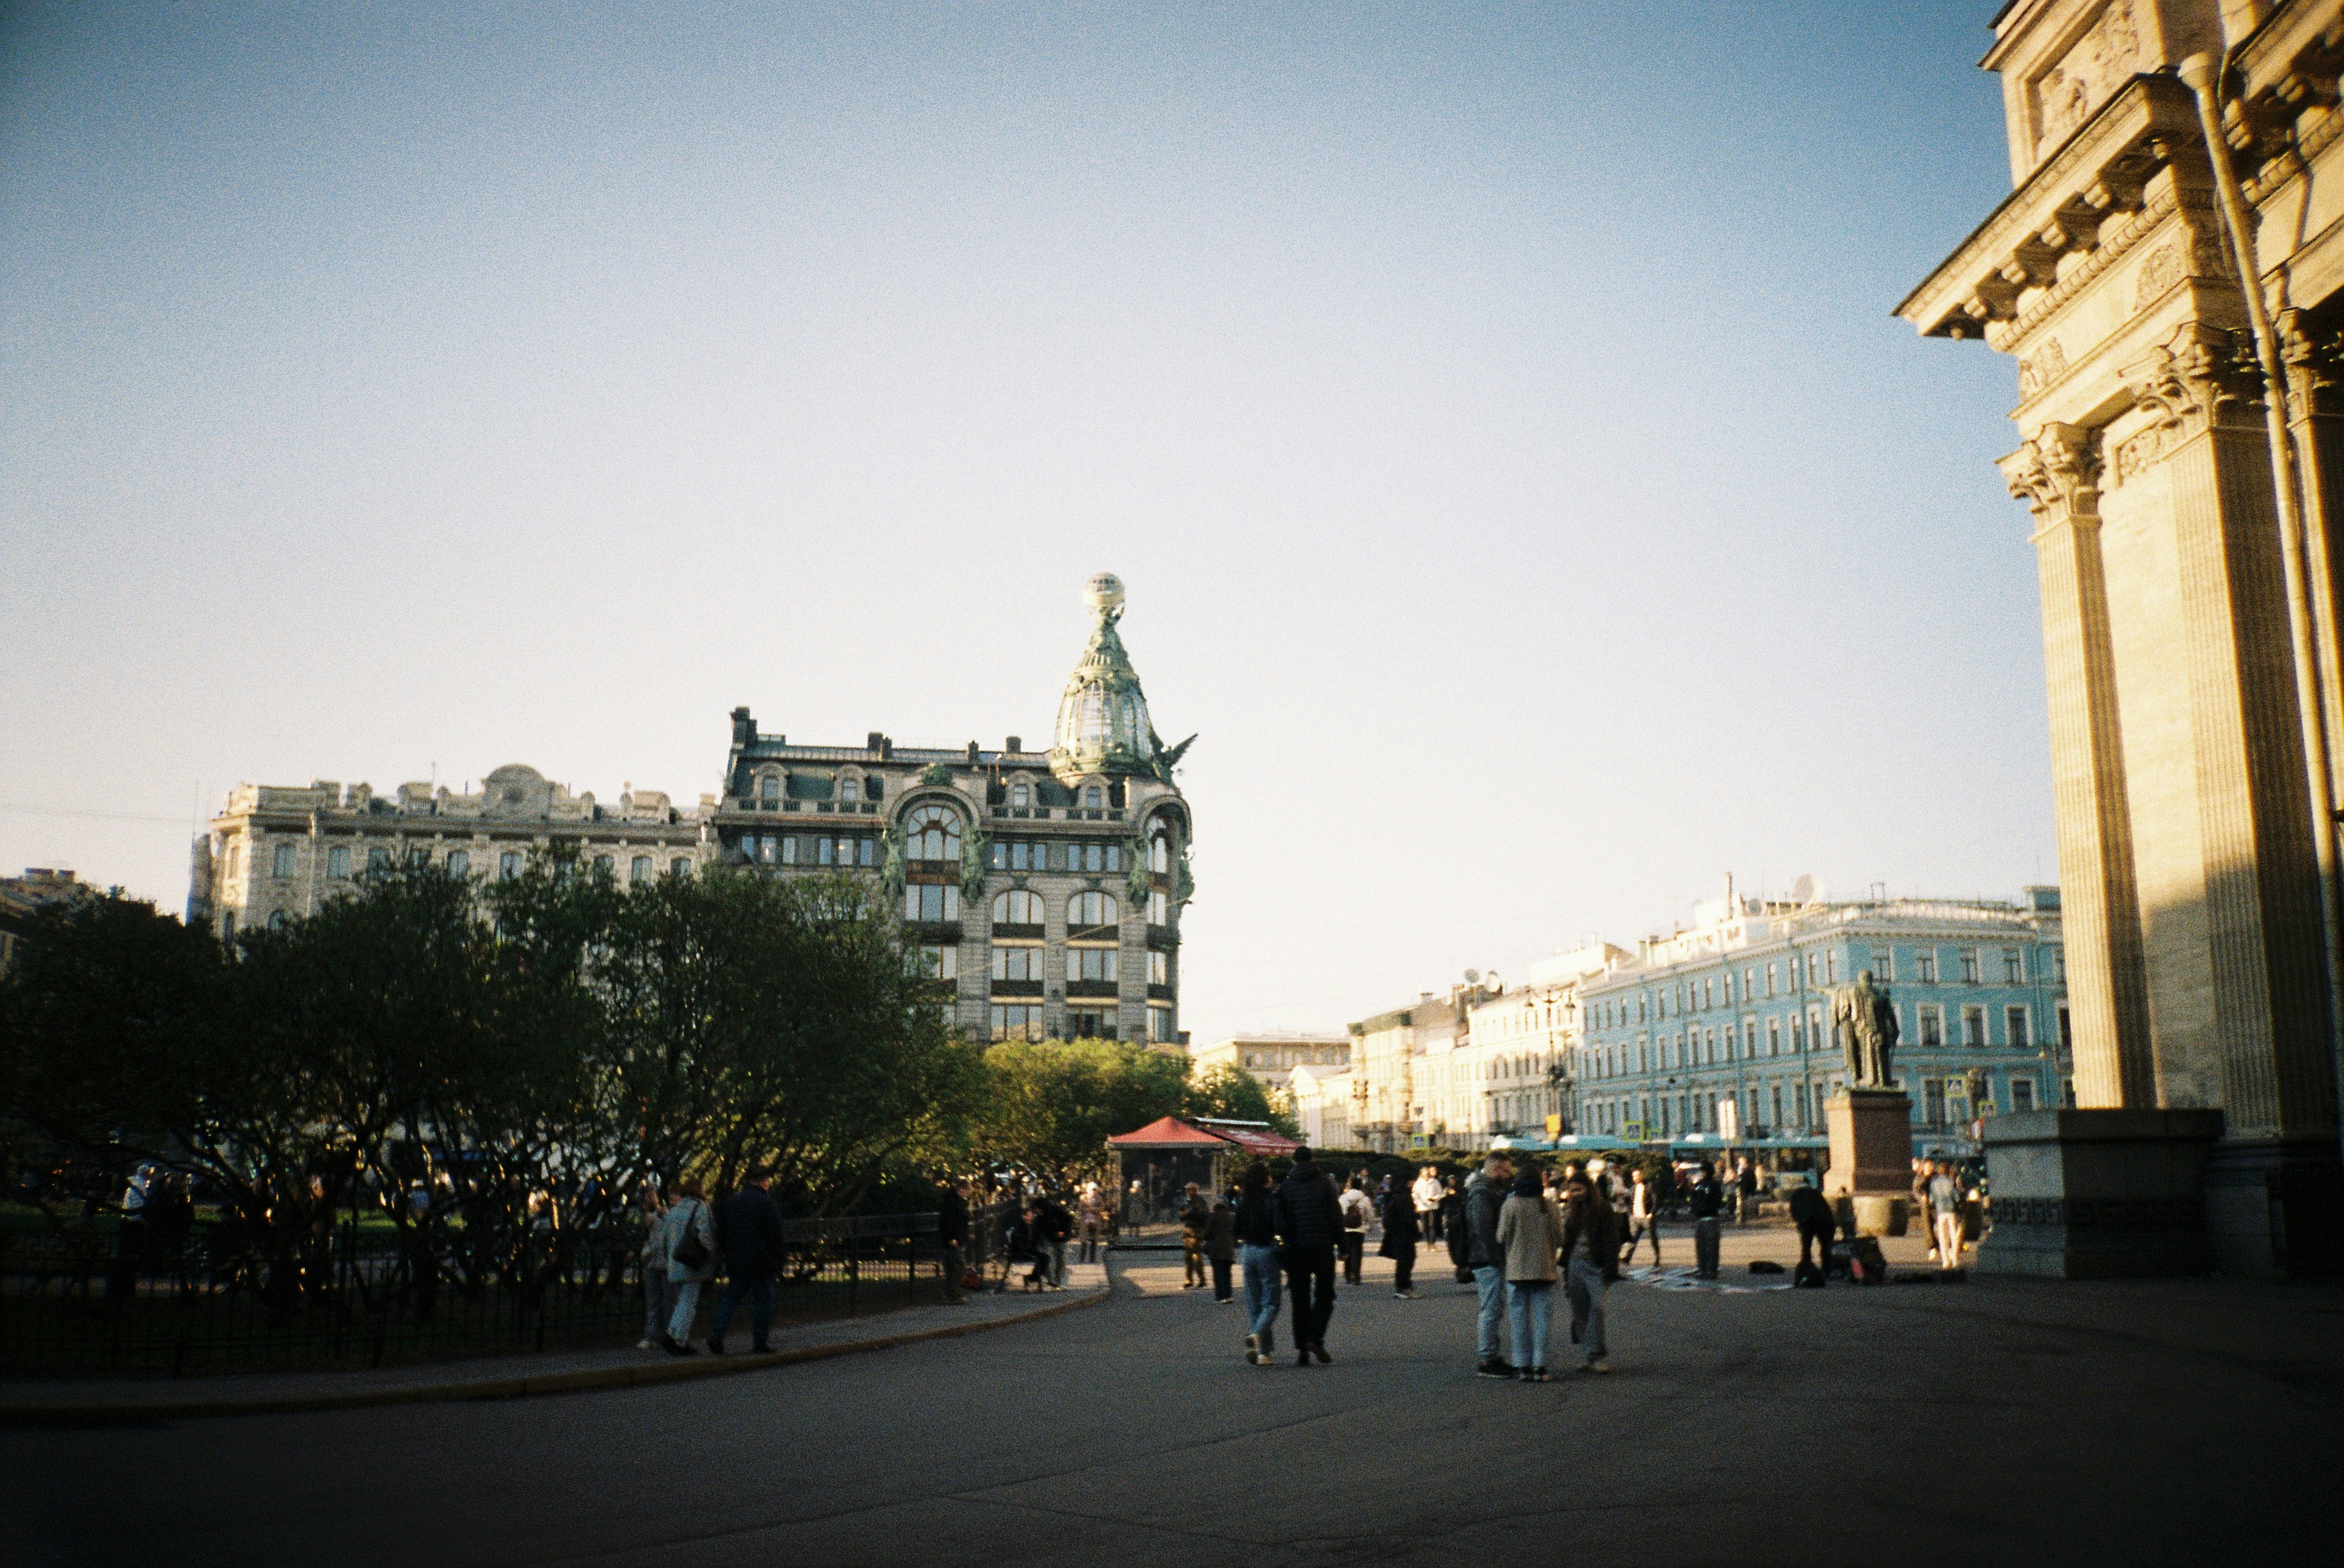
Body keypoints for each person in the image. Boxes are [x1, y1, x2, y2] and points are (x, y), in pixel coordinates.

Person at [1275, 1147, 1342, 1365]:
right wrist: (1344, 1246)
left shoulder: (1285, 1186)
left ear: (1294, 1162)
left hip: (1296, 1251)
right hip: (1322, 1247)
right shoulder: (1326, 1184)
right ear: (1313, 1159)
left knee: (1299, 1299)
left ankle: (1303, 1350)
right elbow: (1335, 1216)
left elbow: (1281, 1221)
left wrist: (1289, 1241)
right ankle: (1316, 1337)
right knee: (1325, 1295)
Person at [709, 1166, 786, 1354]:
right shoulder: (767, 1204)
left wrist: (728, 1253)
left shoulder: (732, 1203)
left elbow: (722, 1233)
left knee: (731, 1298)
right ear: (764, 1182)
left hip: (738, 1260)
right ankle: (760, 1342)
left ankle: (717, 1335)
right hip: (763, 1262)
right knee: (763, 1301)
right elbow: (776, 1235)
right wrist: (780, 1258)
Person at [1496, 1165, 1562, 1381]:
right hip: (1545, 1270)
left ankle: (1522, 1365)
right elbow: (1560, 1238)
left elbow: (1501, 1237)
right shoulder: (1549, 1206)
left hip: (1516, 1271)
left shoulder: (1511, 1204)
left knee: (1519, 1320)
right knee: (1542, 1320)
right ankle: (1540, 1367)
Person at [1560, 1172, 1618, 1373]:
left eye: (1580, 1189)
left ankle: (1598, 1355)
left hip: (1597, 1265)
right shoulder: (1572, 1211)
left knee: (1597, 1308)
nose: (1576, 1193)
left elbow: (1612, 1240)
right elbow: (1567, 1241)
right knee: (1580, 1311)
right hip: (1575, 1264)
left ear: (1589, 1188)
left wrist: (1611, 1268)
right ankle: (1590, 1356)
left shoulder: (1603, 1208)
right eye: (1573, 1190)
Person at [1464, 1152, 1514, 1379]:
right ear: (1493, 1168)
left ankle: (1491, 1355)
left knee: (1493, 1307)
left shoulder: (1488, 1191)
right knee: (1491, 1309)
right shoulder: (1482, 1193)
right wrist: (1494, 1256)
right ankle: (1487, 1359)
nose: (1507, 1175)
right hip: (1486, 1258)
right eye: (1504, 1170)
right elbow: (1482, 1228)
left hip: (1487, 1257)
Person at [659, 1175, 715, 1355]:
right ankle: (676, 1338)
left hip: (675, 1262)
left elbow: (664, 1239)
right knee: (689, 1303)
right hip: (693, 1263)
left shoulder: (673, 1212)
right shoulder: (701, 1208)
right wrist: (710, 1254)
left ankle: (676, 1336)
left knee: (682, 1301)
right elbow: (705, 1235)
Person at [1235, 1161, 1283, 1365]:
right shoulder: (1272, 1200)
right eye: (1268, 1175)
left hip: (1248, 1251)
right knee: (1271, 1302)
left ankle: (1264, 1352)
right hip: (1266, 1250)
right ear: (1264, 1179)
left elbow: (1235, 1230)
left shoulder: (1243, 1201)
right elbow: (1279, 1225)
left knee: (1254, 1303)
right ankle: (1255, 1335)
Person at [637, 1183, 672, 1348]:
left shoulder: (666, 1213)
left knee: (668, 1301)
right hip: (652, 1261)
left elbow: (667, 1221)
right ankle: (651, 1335)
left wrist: (658, 1206)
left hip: (666, 1262)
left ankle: (666, 1335)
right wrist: (645, 1208)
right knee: (653, 1301)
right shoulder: (648, 1215)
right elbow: (646, 1224)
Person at [1379, 1170, 1422, 1298]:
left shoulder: (1396, 1195)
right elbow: (1409, 1218)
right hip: (1404, 1234)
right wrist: (1415, 1230)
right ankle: (1403, 1287)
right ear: (1409, 1182)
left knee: (1404, 1261)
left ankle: (1404, 1286)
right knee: (1406, 1261)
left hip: (1398, 1234)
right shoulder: (1404, 1197)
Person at [1788, 1180, 1834, 1284]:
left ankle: (1806, 1268)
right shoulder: (1816, 1194)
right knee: (1825, 1247)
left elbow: (1794, 1211)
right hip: (1822, 1220)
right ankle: (1826, 1270)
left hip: (1807, 1222)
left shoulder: (1796, 1195)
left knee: (1806, 1248)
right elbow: (1827, 1212)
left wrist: (1800, 1223)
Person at [1689, 1161, 1725, 1281]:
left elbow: (1718, 1201)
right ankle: (1702, 1268)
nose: (1701, 1173)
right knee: (1701, 1246)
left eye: (1703, 1171)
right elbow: (1693, 1199)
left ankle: (1711, 1270)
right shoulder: (1698, 1184)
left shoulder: (1714, 1185)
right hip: (1700, 1219)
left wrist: (1705, 1206)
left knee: (1711, 1246)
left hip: (1711, 1218)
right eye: (1701, 1171)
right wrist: (1694, 1209)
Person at [938, 1176, 972, 1305]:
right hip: (954, 1239)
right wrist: (951, 1237)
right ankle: (952, 1293)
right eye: (966, 1190)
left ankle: (952, 1292)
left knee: (954, 1267)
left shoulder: (957, 1201)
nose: (966, 1194)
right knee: (958, 1266)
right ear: (961, 1189)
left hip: (957, 1237)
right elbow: (948, 1221)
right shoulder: (952, 1202)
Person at [1337, 1174, 1372, 1286]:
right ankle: (1357, 1276)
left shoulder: (1343, 1198)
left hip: (1346, 1229)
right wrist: (1369, 1226)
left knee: (1347, 1251)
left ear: (1351, 1186)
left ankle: (1348, 1275)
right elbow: (1370, 1215)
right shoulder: (1365, 1199)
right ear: (1361, 1186)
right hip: (1359, 1229)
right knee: (1357, 1253)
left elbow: (1338, 1213)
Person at [1005, 1203, 1049, 1291]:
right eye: (1030, 1215)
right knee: (1040, 1259)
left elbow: (1036, 1238)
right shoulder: (1020, 1228)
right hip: (1020, 1253)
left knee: (1045, 1257)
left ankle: (1033, 1278)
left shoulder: (1031, 1226)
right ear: (1024, 1216)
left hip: (1028, 1250)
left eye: (1032, 1215)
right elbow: (1019, 1244)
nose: (1032, 1217)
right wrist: (1028, 1249)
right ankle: (1034, 1279)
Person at [1928, 1161, 1964, 1270]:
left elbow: (1931, 1199)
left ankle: (1945, 1261)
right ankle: (1955, 1259)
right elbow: (1957, 1197)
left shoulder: (1934, 1183)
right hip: (1951, 1211)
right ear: (1948, 1170)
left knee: (1943, 1237)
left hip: (1940, 1212)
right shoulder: (1951, 1181)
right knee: (1954, 1235)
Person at [1205, 1191, 1237, 1302]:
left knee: (1218, 1274)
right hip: (1229, 1249)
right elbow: (1236, 1232)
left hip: (1216, 1250)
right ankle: (1229, 1295)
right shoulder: (1230, 1216)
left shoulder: (1213, 1216)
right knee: (1227, 1274)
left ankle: (1220, 1296)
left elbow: (1207, 1234)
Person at [1037, 1190, 1073, 1288]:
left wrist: (1064, 1231)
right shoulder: (1040, 1217)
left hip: (1061, 1237)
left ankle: (1059, 1280)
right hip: (1049, 1238)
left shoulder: (1057, 1211)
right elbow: (1040, 1229)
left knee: (1061, 1259)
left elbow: (1068, 1219)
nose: (1038, 1212)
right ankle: (1052, 1280)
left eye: (1038, 1210)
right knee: (1049, 1259)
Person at [1180, 1183, 1210, 1289]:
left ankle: (1202, 1279)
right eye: (1188, 1190)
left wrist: (1189, 1214)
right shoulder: (1186, 1202)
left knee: (1196, 1256)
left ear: (1195, 1191)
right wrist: (1183, 1215)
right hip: (1188, 1231)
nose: (1189, 1192)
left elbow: (1204, 1215)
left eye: (1191, 1190)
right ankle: (1189, 1279)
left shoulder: (1200, 1202)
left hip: (1196, 1232)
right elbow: (1182, 1215)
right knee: (1188, 1257)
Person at [1629, 1168, 1660, 1267]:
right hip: (1636, 1217)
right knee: (1633, 1239)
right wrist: (1631, 1213)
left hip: (1647, 1217)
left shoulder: (1649, 1186)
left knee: (1652, 1238)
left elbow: (1655, 1200)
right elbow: (1631, 1201)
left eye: (1638, 1175)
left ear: (1642, 1175)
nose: (1636, 1178)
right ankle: (1628, 1258)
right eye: (1634, 1176)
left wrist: (1651, 1213)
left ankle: (1657, 1257)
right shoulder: (1633, 1188)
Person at [1440, 1174, 1469, 1281]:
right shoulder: (1446, 1189)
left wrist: (1456, 1194)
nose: (1452, 1182)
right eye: (1450, 1180)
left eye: (1453, 1180)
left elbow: (1463, 1199)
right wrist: (1446, 1196)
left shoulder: (1460, 1189)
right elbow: (1442, 1201)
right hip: (1449, 1211)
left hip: (1458, 1210)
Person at [1414, 1165, 1445, 1245]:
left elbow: (1440, 1193)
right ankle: (1428, 1242)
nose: (1426, 1176)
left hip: (1433, 1206)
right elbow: (1415, 1194)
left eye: (1427, 1174)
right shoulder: (1418, 1183)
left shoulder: (1435, 1182)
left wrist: (1435, 1198)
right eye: (1424, 1174)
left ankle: (1433, 1243)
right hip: (1422, 1206)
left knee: (1432, 1225)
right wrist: (1417, 1203)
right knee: (1425, 1226)